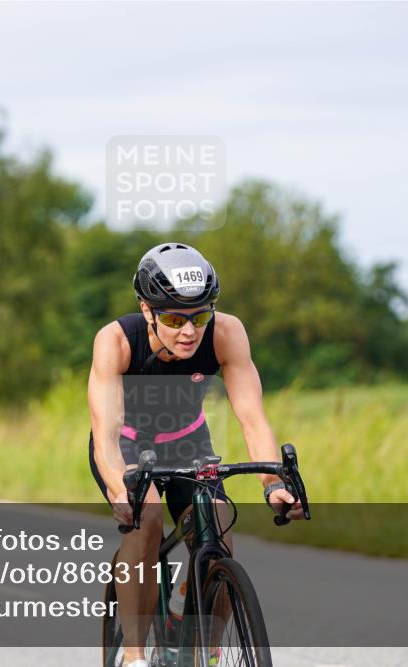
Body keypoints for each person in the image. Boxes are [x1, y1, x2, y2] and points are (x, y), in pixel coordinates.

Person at [88, 242, 304, 667]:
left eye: (200, 316)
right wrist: (120, 488)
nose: (189, 332)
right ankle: (134, 656)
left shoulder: (227, 333)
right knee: (146, 517)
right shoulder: (116, 341)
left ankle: (198, 644)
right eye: (173, 319)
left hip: (188, 441)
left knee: (218, 525)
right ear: (146, 310)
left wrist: (273, 483)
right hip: (128, 443)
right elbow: (106, 437)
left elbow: (253, 419)